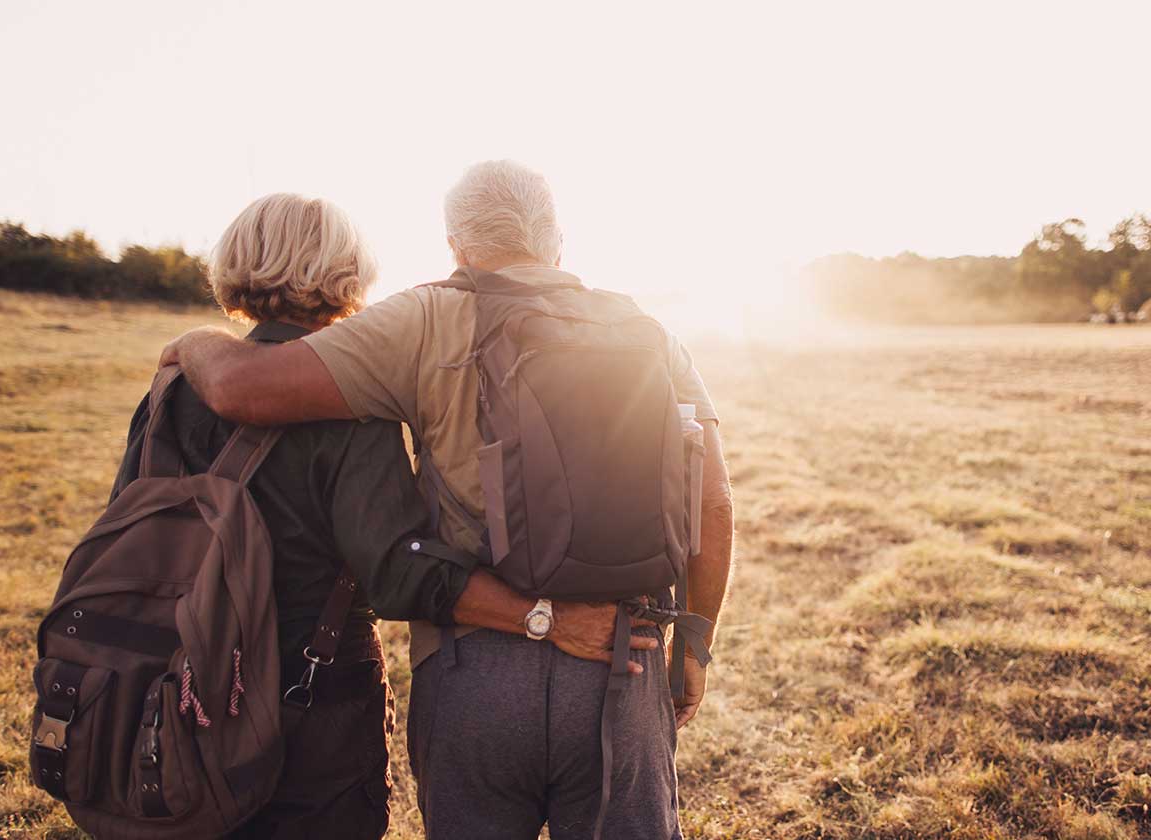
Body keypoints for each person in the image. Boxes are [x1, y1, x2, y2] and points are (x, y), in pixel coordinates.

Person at [159, 162, 735, 840]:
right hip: (622, 656)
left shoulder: (423, 317)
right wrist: (693, 642)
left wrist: (195, 343)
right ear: (557, 241)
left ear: (456, 245)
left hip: (473, 670)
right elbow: (715, 504)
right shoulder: (648, 332)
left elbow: (244, 389)